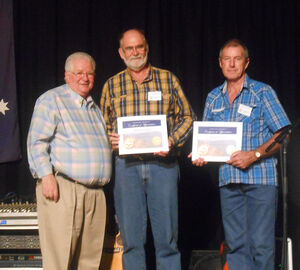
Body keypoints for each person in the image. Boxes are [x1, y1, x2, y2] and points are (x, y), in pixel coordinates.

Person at [190, 39, 291, 270]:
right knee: (235, 246)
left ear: (246, 63)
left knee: (261, 245)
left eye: (237, 59)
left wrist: (254, 154)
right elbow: (207, 139)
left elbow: (284, 134)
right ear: (220, 63)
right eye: (227, 59)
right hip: (229, 181)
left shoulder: (262, 92)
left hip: (260, 180)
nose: (232, 64)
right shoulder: (213, 97)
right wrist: (201, 154)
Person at [100, 29, 195, 270]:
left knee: (167, 239)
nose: (135, 52)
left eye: (139, 46)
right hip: (126, 168)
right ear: (121, 53)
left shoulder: (167, 79)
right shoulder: (111, 85)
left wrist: (171, 141)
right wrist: (109, 139)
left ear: (147, 48)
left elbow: (188, 117)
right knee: (131, 240)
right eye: (129, 48)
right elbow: (102, 125)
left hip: (163, 166)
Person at [27, 52, 112, 270]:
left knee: (89, 263)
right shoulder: (52, 100)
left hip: (95, 194)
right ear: (67, 76)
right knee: (59, 260)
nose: (85, 78)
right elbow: (36, 142)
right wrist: (46, 176)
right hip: (64, 190)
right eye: (79, 73)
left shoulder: (94, 109)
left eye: (89, 73)